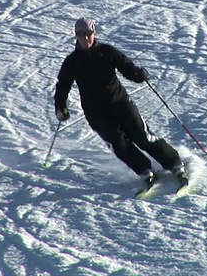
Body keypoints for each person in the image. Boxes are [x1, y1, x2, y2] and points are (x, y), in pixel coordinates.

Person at [53, 17, 188, 189]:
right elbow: (62, 85)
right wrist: (61, 106)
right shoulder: (72, 62)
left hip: (120, 103)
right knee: (118, 143)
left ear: (94, 33)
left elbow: (126, 67)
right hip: (95, 112)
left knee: (141, 135)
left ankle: (174, 163)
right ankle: (145, 170)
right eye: (81, 34)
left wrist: (138, 74)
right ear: (76, 35)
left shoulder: (107, 52)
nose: (86, 38)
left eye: (89, 34)